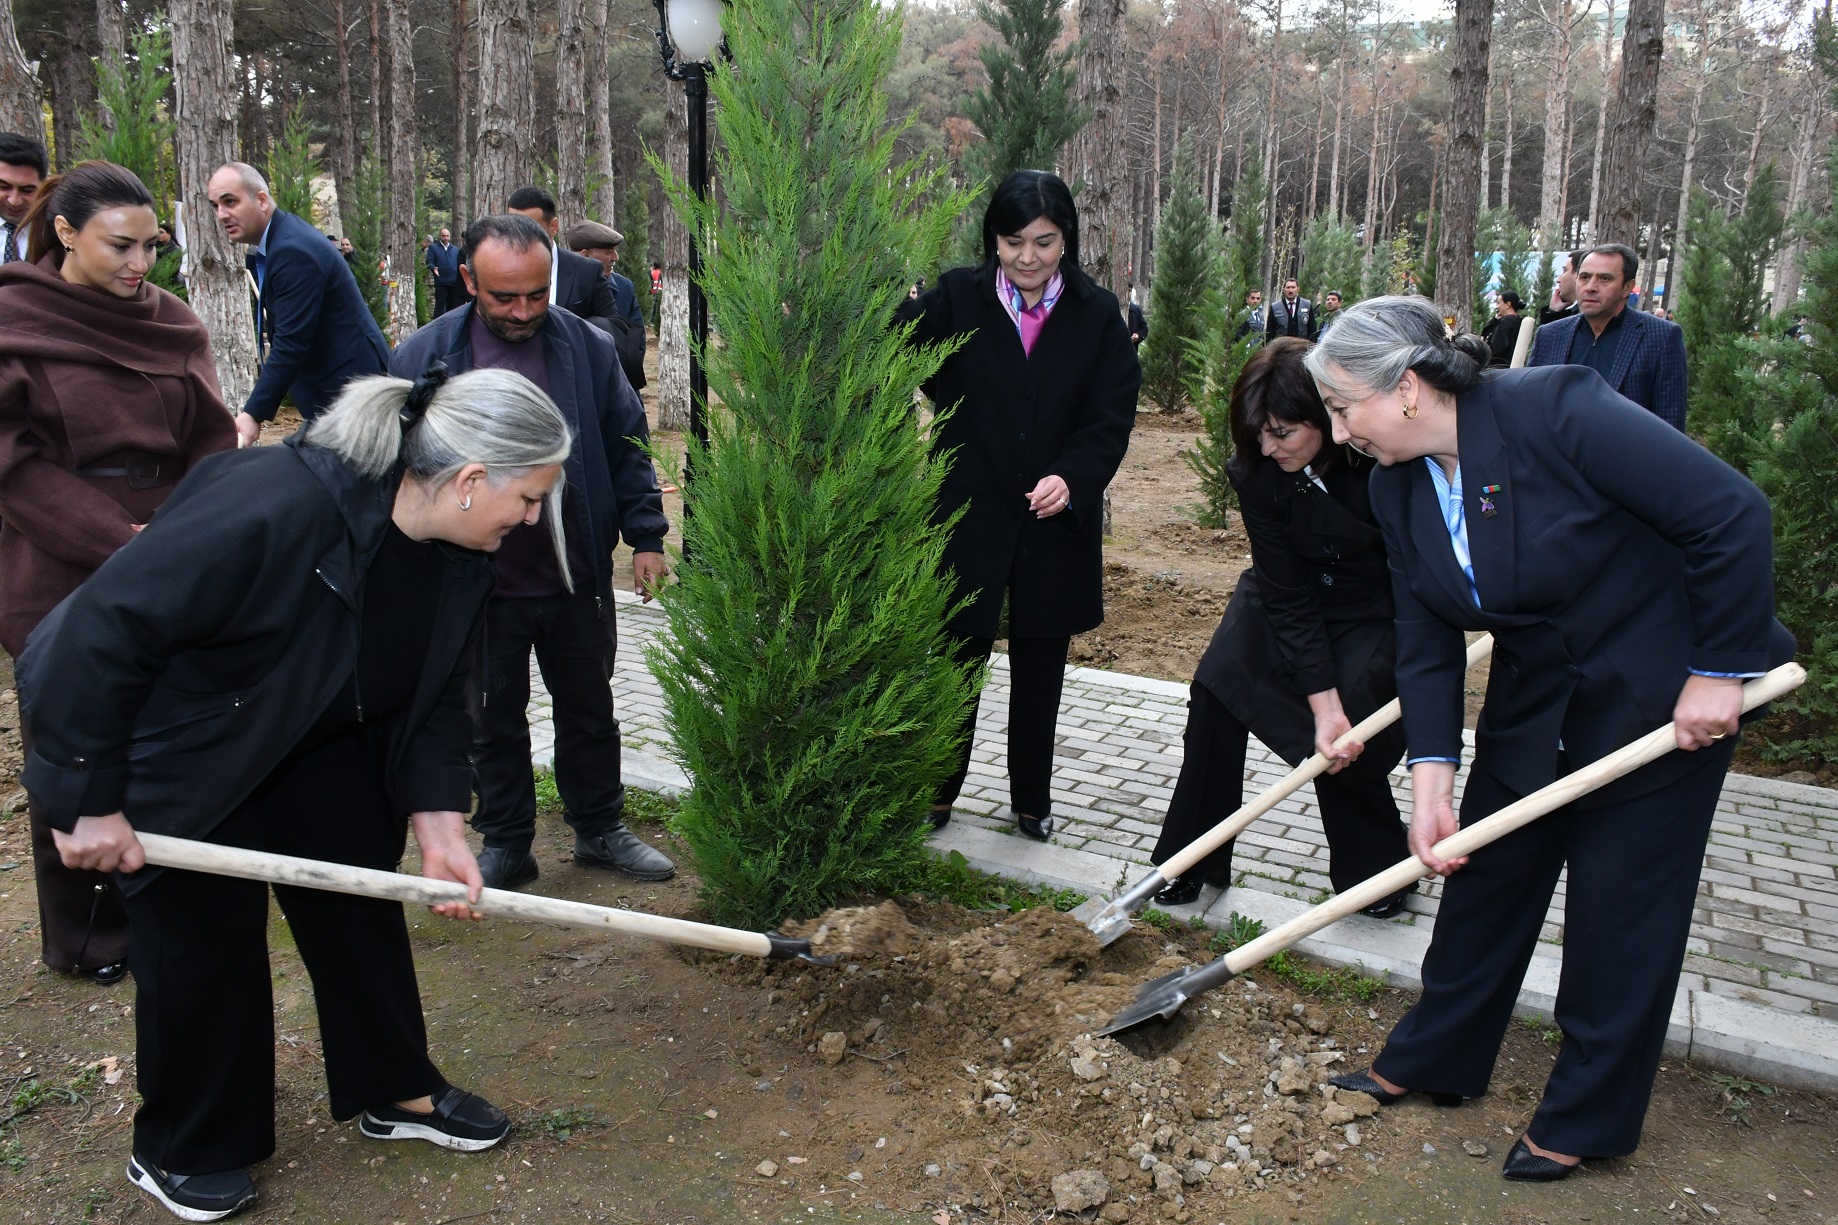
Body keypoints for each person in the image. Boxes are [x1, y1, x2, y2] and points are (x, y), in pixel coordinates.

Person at [21, 366, 570, 1219]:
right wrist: (85, 798)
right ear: (469, 480)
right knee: (205, 941)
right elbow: (95, 634)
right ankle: (185, 1143)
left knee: (359, 901)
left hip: (320, 736)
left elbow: (438, 689)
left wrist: (438, 820)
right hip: (191, 743)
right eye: (529, 497)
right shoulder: (270, 504)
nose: (532, 518)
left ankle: (395, 1086)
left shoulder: (459, 552)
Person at [1302, 295, 1794, 1183]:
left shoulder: (1558, 409)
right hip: (1536, 698)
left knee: (1620, 908)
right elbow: (1424, 634)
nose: (1338, 434)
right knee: (1488, 879)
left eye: (1342, 408)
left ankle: (1586, 1113)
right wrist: (1431, 779)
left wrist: (1720, 670)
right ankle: (1437, 1056)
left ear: (1405, 387)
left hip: (1658, 695)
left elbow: (1729, 512)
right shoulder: (1394, 485)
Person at [0, 161, 237, 989]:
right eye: (120, 246)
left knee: (168, 731)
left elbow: (211, 437)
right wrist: (116, 538)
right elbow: (12, 465)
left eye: (151, 246)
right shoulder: (13, 317)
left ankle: (172, 902)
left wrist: (191, 530)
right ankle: (89, 932)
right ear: (66, 233)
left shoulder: (172, 320)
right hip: (56, 552)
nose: (140, 264)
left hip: (169, 547)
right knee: (73, 742)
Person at [390, 214, 673, 890]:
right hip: (476, 583)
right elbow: (397, 468)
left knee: (590, 710)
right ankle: (508, 840)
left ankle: (599, 827)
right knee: (488, 718)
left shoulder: (588, 348)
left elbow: (628, 442)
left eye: (536, 294)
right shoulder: (424, 357)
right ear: (468, 280)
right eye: (504, 297)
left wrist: (646, 536)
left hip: (575, 573)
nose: (522, 311)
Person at [897, 170, 1140, 840]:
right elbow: (892, 351)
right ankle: (936, 791)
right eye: (1013, 242)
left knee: (1041, 663)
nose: (1028, 257)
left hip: (1052, 519)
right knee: (954, 656)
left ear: (1067, 239)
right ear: (993, 240)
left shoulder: (1097, 315)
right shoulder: (957, 297)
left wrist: (1075, 477)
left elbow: (1111, 416)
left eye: (1044, 241)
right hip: (968, 510)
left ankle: (1032, 800)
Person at [1148, 338, 1410, 913]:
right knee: (1217, 692)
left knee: (1347, 727)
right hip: (1283, 591)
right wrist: (1318, 694)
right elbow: (1286, 591)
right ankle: (1191, 856)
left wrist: (1330, 705)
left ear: (1324, 415)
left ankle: (1376, 869)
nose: (1267, 447)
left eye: (1282, 433)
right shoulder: (1255, 468)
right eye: (1257, 434)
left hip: (1373, 603)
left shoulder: (1379, 457)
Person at [207, 162, 389, 445]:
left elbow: (291, 342)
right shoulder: (280, 241)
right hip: (340, 389)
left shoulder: (292, 250)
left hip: (352, 394)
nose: (221, 214)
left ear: (262, 200)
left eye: (230, 202)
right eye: (215, 206)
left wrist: (253, 414)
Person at [1528, 243, 1688, 431]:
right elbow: (1530, 407)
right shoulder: (1550, 335)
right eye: (1584, 277)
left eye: (1604, 279)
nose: (1590, 287)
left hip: (1625, 449)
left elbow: (1670, 424)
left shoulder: (1660, 337)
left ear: (1627, 287)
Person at [564, 219, 648, 390]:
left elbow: (635, 340)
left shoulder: (624, 287)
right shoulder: (561, 288)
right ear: (585, 255)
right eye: (609, 252)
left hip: (619, 385)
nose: (615, 257)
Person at [0, 131, 47, 263]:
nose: (14, 201)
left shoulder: (55, 233)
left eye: (27, 191)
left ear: (44, 187)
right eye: (3, 187)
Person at [1480, 290, 1525, 368]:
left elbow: (1496, 349)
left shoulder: (1505, 323)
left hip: (1499, 368)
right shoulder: (1518, 321)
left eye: (1499, 303)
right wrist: (1494, 320)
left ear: (1508, 304)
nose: (1497, 307)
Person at [425, 226, 463, 317]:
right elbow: (429, 261)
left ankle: (451, 323)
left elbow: (459, 263)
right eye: (443, 236)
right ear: (440, 236)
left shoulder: (455, 249)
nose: (446, 238)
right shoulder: (433, 248)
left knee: (452, 306)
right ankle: (437, 323)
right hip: (441, 281)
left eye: (447, 236)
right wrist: (433, 268)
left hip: (453, 282)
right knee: (440, 305)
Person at [1538, 250, 1581, 325]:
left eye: (1564, 271)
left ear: (1578, 275)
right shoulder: (1575, 315)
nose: (1558, 280)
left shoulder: (1585, 317)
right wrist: (1553, 312)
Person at [1265, 277, 1316, 342]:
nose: (1290, 290)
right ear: (1283, 290)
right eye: (1288, 287)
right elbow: (1269, 332)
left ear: (1298, 289)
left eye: (1293, 287)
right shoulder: (1275, 307)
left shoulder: (1307, 305)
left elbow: (1312, 329)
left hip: (1302, 345)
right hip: (1282, 346)